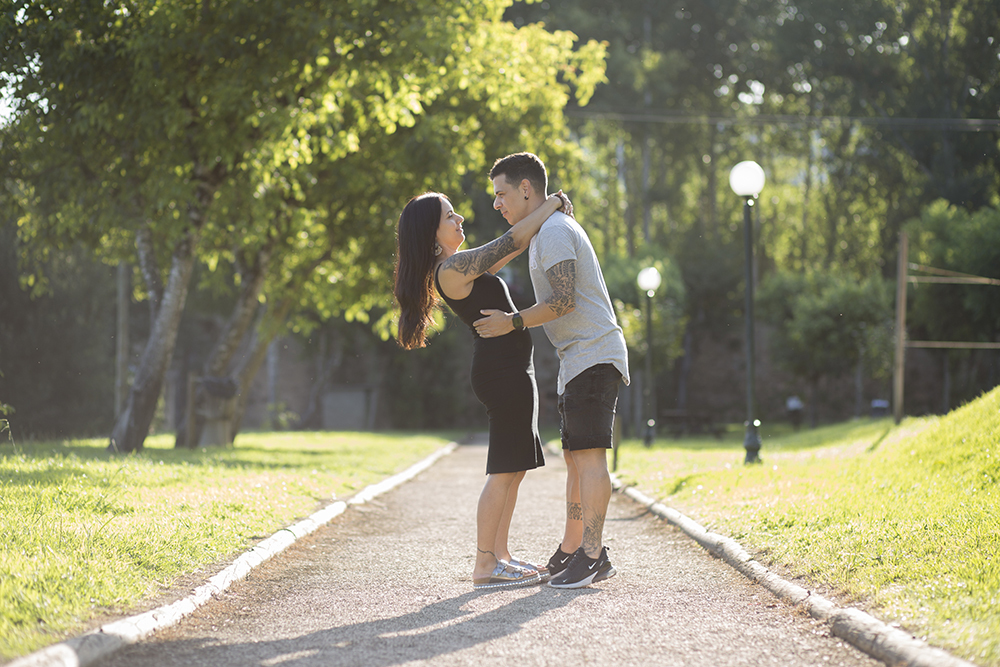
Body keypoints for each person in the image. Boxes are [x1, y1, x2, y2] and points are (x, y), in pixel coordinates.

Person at [394, 189, 569, 590]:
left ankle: (501, 556)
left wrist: (546, 213)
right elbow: (514, 241)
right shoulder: (451, 269)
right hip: (501, 374)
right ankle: (485, 564)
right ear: (432, 234)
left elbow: (511, 249)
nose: (459, 221)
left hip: (512, 371)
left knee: (515, 468)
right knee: (504, 470)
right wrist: (553, 203)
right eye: (449, 217)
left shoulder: (464, 267)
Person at [475, 152, 630, 589]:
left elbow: (564, 301)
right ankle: (572, 548)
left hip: (593, 354)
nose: (496, 203)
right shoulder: (546, 231)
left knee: (590, 459)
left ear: (527, 189)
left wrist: (512, 321)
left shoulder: (557, 232)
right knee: (576, 463)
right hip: (578, 358)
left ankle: (595, 556)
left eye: (501, 193)